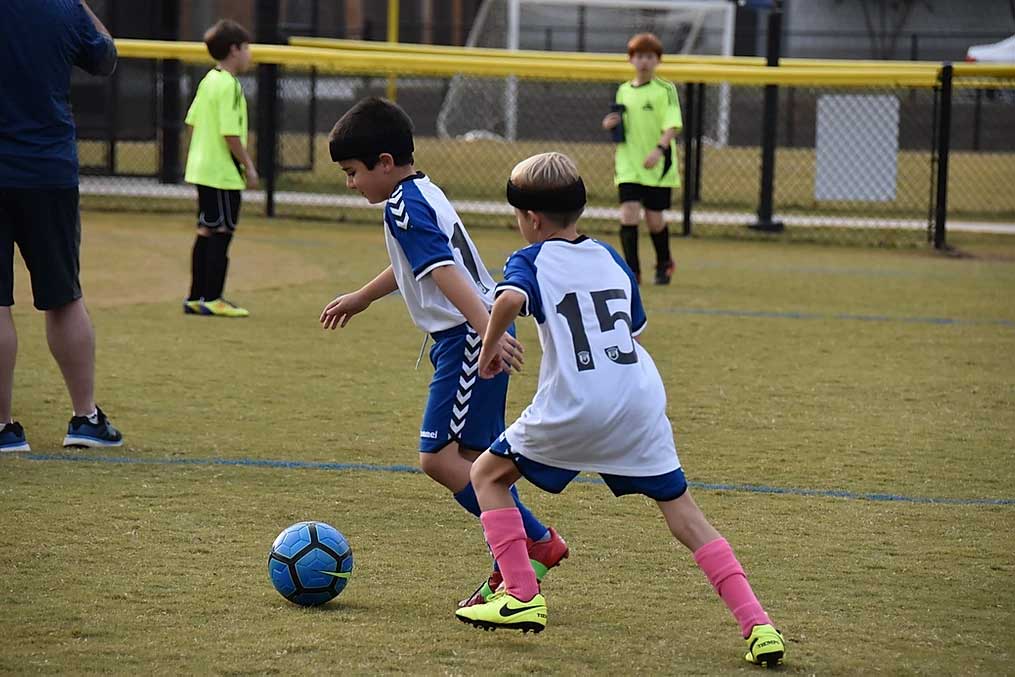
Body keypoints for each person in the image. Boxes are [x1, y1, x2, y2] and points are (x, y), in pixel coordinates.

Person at [456, 152, 785, 668]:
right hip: (638, 399)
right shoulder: (611, 257)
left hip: (578, 404)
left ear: (532, 220)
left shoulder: (531, 259)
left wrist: (489, 348)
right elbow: (629, 328)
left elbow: (507, 300)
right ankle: (759, 625)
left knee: (486, 474)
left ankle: (519, 595)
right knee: (686, 518)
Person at [319, 97, 568, 606]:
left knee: (437, 458)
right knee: (477, 460)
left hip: (467, 339)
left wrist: (488, 334)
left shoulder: (402, 205)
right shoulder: (422, 191)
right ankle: (518, 560)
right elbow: (419, 264)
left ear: (384, 163)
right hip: (472, 334)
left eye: (352, 173)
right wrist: (363, 296)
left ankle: (532, 545)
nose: (350, 184)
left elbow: (443, 272)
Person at [0, 0, 123, 451]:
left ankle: (3, 428)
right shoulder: (61, 7)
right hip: (46, 171)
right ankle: (84, 418)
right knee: (63, 297)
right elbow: (105, 57)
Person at [182, 19, 258, 318]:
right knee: (222, 231)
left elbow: (192, 123)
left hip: (202, 170)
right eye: (247, 47)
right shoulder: (229, 85)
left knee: (206, 228)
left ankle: (195, 297)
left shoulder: (208, 80)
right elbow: (230, 134)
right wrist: (248, 166)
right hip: (222, 173)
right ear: (234, 50)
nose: (250, 53)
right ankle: (213, 298)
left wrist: (201, 155)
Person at [602, 32, 682, 286]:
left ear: (657, 60)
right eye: (639, 56)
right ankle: (632, 272)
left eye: (649, 56)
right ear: (631, 60)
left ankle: (664, 262)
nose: (644, 62)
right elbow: (621, 126)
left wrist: (659, 149)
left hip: (656, 165)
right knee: (628, 215)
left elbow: (673, 124)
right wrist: (610, 124)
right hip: (628, 164)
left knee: (654, 219)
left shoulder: (665, 89)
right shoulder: (623, 90)